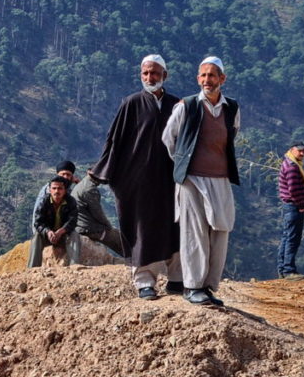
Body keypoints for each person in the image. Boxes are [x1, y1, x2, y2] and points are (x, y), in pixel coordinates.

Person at [93, 54, 181, 300]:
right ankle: (145, 282)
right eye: (145, 73)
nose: (149, 77)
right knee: (142, 230)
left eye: (154, 73)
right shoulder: (130, 104)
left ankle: (177, 280)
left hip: (171, 180)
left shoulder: (178, 105)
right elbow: (114, 140)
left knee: (176, 228)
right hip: (138, 181)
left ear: (165, 75)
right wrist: (105, 172)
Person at [162, 56, 239, 307]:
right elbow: (168, 138)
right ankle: (192, 286)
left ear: (222, 79)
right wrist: (184, 162)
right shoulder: (187, 106)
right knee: (194, 232)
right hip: (192, 179)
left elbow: (231, 136)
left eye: (212, 75)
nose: (207, 80)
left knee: (220, 231)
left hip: (220, 178)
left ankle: (207, 286)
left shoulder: (232, 109)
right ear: (198, 79)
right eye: (203, 76)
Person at [27, 176, 81, 268]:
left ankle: (74, 266)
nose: (57, 191)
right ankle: (33, 268)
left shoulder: (71, 201)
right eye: (54, 188)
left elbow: (72, 221)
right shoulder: (44, 202)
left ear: (65, 190)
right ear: (50, 189)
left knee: (74, 235)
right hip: (48, 235)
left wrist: (61, 231)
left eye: (60, 188)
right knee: (37, 236)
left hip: (63, 234)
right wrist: (47, 231)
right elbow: (38, 222)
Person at [71, 170, 125, 256]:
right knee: (121, 241)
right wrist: (108, 226)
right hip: (89, 229)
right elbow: (97, 213)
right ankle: (135, 262)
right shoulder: (89, 188)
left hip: (81, 225)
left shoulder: (82, 184)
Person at [276, 141, 304, 279]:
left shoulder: (289, 163)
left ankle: (282, 268)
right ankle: (289, 270)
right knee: (292, 238)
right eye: (299, 151)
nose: (302, 153)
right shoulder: (292, 167)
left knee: (287, 236)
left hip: (289, 205)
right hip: (293, 206)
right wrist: (301, 206)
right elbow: (294, 190)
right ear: (292, 150)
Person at [30, 160, 78, 233]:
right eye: (63, 174)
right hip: (46, 229)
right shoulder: (48, 190)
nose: (65, 177)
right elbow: (37, 215)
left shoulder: (67, 189)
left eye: (68, 175)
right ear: (57, 174)